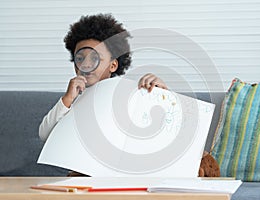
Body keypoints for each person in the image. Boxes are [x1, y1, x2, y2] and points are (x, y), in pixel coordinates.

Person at [39, 13, 167, 141]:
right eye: (79, 58)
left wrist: (162, 95)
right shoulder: (74, 100)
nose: (86, 64)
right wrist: (67, 99)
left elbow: (160, 126)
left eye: (95, 58)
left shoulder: (127, 93)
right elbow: (44, 135)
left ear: (113, 65)